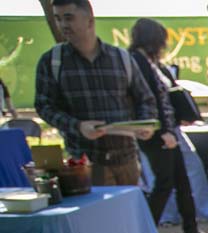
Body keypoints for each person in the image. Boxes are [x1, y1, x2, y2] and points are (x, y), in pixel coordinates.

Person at [34, 0, 157, 186]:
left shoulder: (121, 58)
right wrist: (78, 126)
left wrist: (146, 124)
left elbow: (145, 98)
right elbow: (44, 106)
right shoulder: (52, 61)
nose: (63, 25)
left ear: (90, 21)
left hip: (127, 160)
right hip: (86, 162)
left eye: (69, 18)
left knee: (129, 214)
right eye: (58, 19)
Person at [128, 19, 208, 233]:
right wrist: (163, 131)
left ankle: (191, 229)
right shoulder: (137, 62)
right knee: (163, 183)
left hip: (168, 130)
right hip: (156, 133)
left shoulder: (153, 63)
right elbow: (149, 100)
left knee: (182, 180)